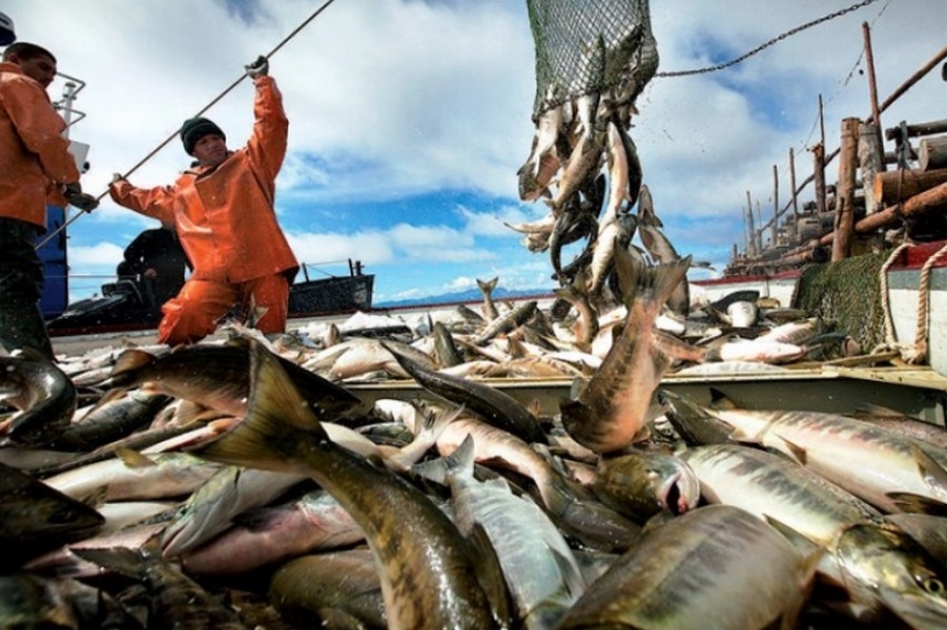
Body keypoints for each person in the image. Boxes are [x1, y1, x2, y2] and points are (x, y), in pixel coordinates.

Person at [109, 56, 298, 346]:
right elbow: (146, 199)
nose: (214, 144)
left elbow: (272, 125)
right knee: (182, 320)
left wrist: (263, 83)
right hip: (211, 274)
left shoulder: (252, 162)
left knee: (269, 339)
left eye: (216, 138)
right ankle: (165, 369)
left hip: (264, 266)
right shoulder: (180, 189)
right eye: (204, 142)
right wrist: (119, 187)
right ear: (193, 151)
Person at [0, 42, 98, 359]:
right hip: (8, 210)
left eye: (54, 73)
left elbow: (19, 159)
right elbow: (44, 137)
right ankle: (39, 377)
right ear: (15, 60)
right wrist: (71, 182)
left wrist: (63, 193)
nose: (49, 78)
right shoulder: (17, 83)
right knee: (14, 286)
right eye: (43, 67)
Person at [116, 222, 191, 318]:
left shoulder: (184, 240)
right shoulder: (150, 236)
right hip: (154, 284)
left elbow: (191, 260)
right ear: (162, 220)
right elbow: (129, 254)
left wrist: (197, 275)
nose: (173, 221)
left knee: (178, 313)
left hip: (177, 284)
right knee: (159, 314)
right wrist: (143, 270)